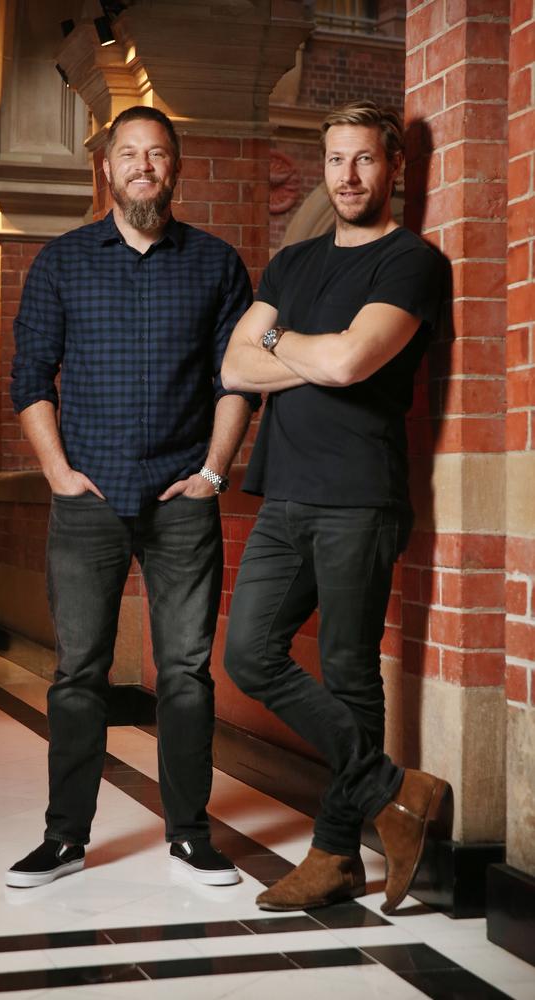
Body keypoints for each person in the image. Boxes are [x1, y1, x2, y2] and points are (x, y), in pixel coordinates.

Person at [6, 106, 258, 889]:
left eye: (157, 153)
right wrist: (56, 472)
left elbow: (236, 380)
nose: (143, 165)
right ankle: (64, 838)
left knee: (185, 675)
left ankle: (189, 834)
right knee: (78, 672)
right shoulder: (61, 264)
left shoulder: (218, 266)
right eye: (128, 154)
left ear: (174, 168)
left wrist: (215, 471)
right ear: (105, 170)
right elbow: (29, 378)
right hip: (87, 501)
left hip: (183, 499)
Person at [221, 100, 451, 915]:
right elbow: (234, 368)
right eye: (334, 161)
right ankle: (399, 789)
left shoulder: (412, 262)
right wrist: (300, 354)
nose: (347, 177)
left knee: (350, 671)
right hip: (285, 492)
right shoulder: (293, 262)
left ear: (393, 168)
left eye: (362, 160)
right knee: (248, 654)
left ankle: (332, 855)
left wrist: (284, 345)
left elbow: (353, 361)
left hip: (360, 494)